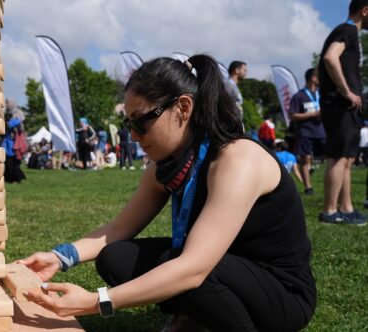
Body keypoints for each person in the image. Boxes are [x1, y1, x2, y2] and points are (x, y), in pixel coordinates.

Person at [17, 55, 315, 331]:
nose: (133, 135)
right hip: (219, 268)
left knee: (190, 273)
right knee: (115, 258)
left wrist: (98, 302)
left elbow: (195, 268)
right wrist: (60, 257)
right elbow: (119, 229)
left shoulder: (237, 160)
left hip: (281, 291)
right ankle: (199, 315)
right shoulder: (167, 162)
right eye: (128, 123)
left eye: (141, 121)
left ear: (183, 108)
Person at [317, 0, 368, 225]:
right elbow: (330, 57)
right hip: (339, 104)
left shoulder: (351, 34)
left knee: (347, 158)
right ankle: (329, 211)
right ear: (365, 11)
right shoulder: (346, 30)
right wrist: (346, 91)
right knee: (338, 157)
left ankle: (346, 208)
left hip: (347, 107)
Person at [288, 68, 327, 195]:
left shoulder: (321, 94)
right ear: (312, 78)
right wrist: (313, 114)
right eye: (318, 76)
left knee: (331, 156)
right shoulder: (299, 96)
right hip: (306, 132)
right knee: (305, 159)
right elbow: (293, 115)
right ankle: (308, 187)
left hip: (322, 132)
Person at [3, 118, 26, 183]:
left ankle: (16, 179)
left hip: (12, 150)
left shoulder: (14, 125)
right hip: (8, 149)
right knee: (7, 166)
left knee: (13, 166)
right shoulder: (10, 129)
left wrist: (6, 123)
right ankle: (8, 179)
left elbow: (16, 122)